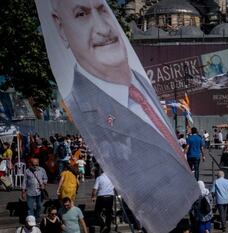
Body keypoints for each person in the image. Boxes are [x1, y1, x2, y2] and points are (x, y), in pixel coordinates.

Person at [49, 1, 199, 231]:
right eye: (81, 14)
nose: (103, 28)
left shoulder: (143, 86)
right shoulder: (81, 104)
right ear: (60, 26)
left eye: (102, 10)